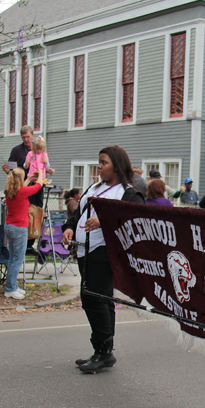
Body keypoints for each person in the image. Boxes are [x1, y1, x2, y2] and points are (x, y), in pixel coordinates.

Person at [62, 145, 145, 373]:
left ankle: (103, 351)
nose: (99, 167)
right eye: (99, 162)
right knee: (98, 299)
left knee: (94, 299)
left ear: (117, 166)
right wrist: (69, 227)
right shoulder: (95, 187)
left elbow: (137, 220)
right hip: (83, 250)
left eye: (104, 162)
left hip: (104, 252)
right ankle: (103, 350)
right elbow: (78, 213)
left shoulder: (128, 192)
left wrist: (104, 220)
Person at [3, 168, 44, 299]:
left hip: (9, 226)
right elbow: (38, 186)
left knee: (12, 258)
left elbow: (20, 189)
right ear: (19, 180)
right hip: (19, 228)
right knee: (17, 259)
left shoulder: (9, 191)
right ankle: (10, 288)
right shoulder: (21, 192)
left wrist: (28, 178)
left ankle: (12, 286)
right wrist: (41, 173)